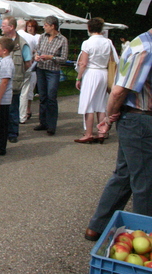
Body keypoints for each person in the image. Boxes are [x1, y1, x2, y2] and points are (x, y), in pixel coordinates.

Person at [84, 28, 152, 242]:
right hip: (139, 119)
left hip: (135, 119)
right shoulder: (146, 48)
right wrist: (109, 117)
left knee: (124, 175)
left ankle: (97, 226)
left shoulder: (140, 42)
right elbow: (119, 90)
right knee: (145, 182)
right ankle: (144, 237)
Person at [74, 18, 119, 143]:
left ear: (89, 28)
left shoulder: (87, 43)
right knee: (100, 104)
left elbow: (83, 63)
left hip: (91, 73)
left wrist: (78, 77)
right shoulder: (107, 42)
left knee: (88, 104)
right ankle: (102, 132)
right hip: (103, 72)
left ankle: (88, 133)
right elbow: (113, 59)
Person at [34, 15, 68, 135]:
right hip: (41, 69)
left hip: (53, 70)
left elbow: (63, 59)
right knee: (42, 96)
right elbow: (37, 50)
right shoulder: (42, 37)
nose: (44, 27)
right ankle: (43, 122)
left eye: (46, 25)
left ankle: (52, 125)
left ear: (53, 26)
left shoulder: (62, 40)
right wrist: (36, 56)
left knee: (51, 97)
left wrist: (51, 57)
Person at [0, 17, 32, 143]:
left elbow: (28, 62)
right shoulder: (0, 41)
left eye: (3, 25)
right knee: (1, 109)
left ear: (11, 27)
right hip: (1, 81)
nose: (1, 27)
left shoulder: (22, 43)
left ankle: (13, 133)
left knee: (13, 107)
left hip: (15, 81)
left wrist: (18, 72)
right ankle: (1, 131)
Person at [18, 19, 39, 123]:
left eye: (32, 26)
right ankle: (22, 115)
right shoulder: (31, 38)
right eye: (28, 26)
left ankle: (23, 113)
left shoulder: (14, 37)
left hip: (24, 66)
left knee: (22, 91)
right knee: (25, 92)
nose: (30, 28)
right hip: (28, 66)